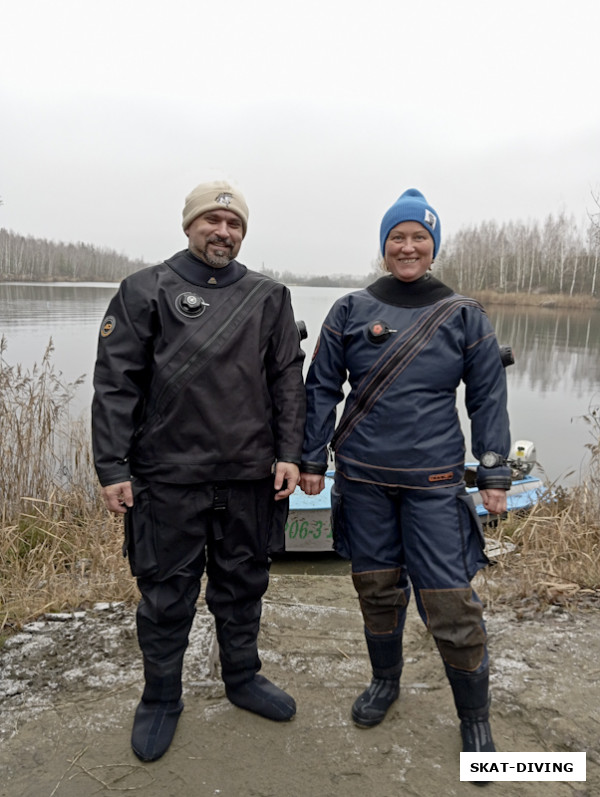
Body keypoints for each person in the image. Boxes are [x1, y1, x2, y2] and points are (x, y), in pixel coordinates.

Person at [92, 180, 306, 762]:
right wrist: (111, 465)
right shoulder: (144, 290)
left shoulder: (270, 297)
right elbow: (116, 384)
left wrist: (291, 452)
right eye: (212, 221)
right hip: (166, 477)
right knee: (166, 596)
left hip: (248, 476)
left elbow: (288, 380)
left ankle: (241, 679)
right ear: (189, 226)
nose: (223, 231)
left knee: (243, 587)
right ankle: (161, 697)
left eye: (234, 223)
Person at [299, 189, 511, 761]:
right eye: (398, 237)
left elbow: (488, 397)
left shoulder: (465, 314)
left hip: (435, 484)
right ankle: (385, 682)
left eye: (419, 237)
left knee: (450, 603)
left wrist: (493, 472)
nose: (408, 246)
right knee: (376, 589)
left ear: (433, 247)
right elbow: (320, 388)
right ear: (384, 246)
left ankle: (474, 721)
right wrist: (312, 460)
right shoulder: (349, 309)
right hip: (363, 481)